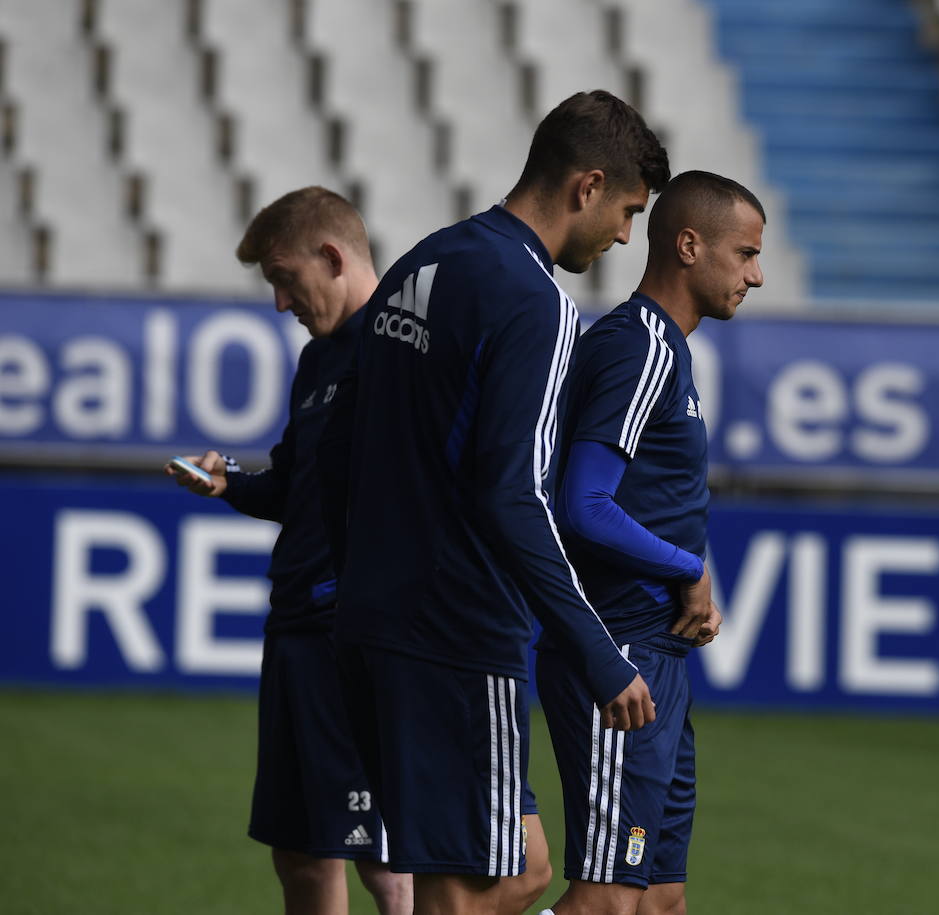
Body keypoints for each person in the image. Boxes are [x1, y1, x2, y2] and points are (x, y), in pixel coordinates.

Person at [320, 90, 670, 915]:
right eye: (626, 210)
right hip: (457, 626)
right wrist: (597, 650)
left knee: (518, 868)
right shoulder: (539, 304)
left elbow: (341, 447)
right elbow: (515, 493)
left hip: (376, 620)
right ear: (587, 185)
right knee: (472, 886)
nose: (625, 235)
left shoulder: (425, 261)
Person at [164, 186, 413, 915]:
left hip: (354, 637)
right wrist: (229, 483)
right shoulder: (318, 362)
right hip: (296, 634)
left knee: (383, 859)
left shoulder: (401, 349)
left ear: (332, 257)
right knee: (302, 851)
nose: (280, 302)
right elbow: (294, 487)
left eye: (283, 278)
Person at [537, 170, 764, 915]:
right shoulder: (640, 347)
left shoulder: (667, 349)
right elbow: (584, 504)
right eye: (746, 254)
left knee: (660, 898)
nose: (756, 275)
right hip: (619, 653)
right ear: (690, 245)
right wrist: (689, 565)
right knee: (607, 898)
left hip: (654, 659)